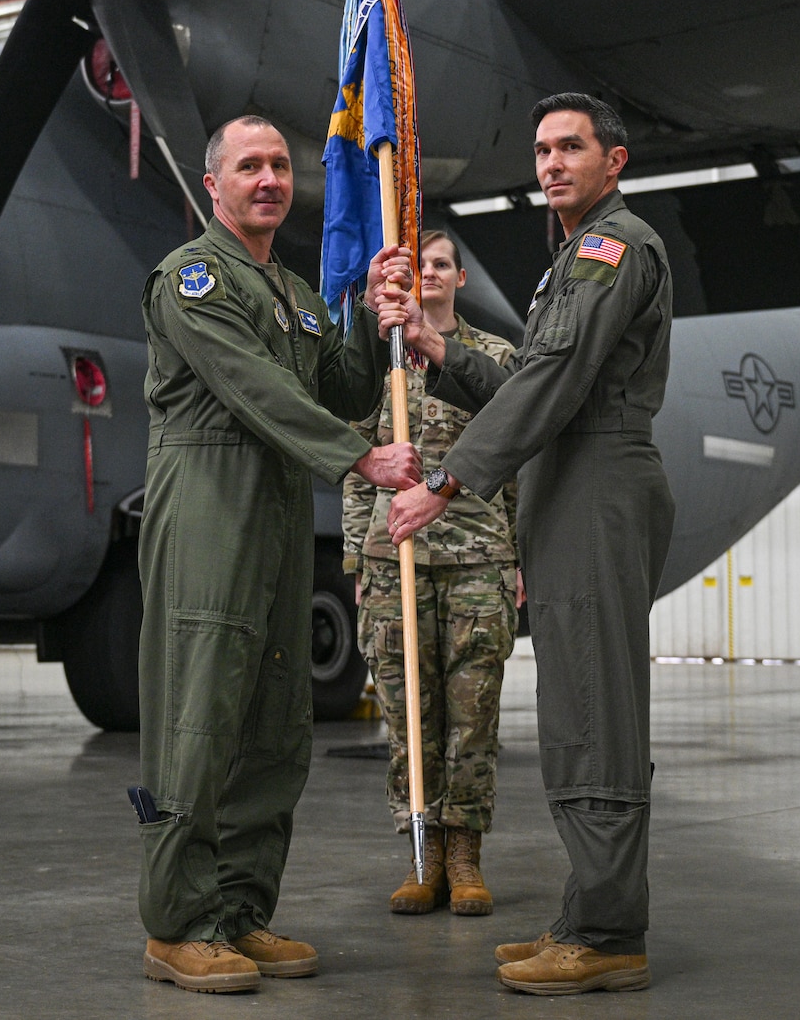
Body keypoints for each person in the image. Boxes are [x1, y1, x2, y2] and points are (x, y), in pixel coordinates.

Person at [383, 93, 674, 997]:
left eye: (571, 147)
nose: (550, 163)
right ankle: (587, 908)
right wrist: (436, 344)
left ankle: (607, 932)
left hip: (595, 483)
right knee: (576, 707)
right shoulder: (570, 259)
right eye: (543, 149)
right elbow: (529, 377)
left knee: (595, 712)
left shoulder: (610, 248)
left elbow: (554, 379)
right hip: (566, 486)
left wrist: (446, 479)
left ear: (613, 160)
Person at [135, 115, 422, 995]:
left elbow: (336, 383)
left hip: (283, 510)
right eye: (249, 166)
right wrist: (360, 455)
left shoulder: (294, 288)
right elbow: (251, 387)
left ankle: (239, 911)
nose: (269, 179)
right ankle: (178, 924)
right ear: (214, 183)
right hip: (211, 505)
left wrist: (372, 318)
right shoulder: (191, 279)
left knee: (272, 718)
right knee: (200, 714)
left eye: (280, 166)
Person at [341, 228, 520, 916]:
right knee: (406, 715)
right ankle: (421, 853)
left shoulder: (494, 358)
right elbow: (360, 468)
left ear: (461, 278)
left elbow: (517, 465)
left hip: (477, 557)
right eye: (421, 267)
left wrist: (519, 555)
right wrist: (359, 554)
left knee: (472, 717)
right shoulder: (382, 365)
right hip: (396, 563)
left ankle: (465, 854)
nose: (433, 275)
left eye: (443, 264)